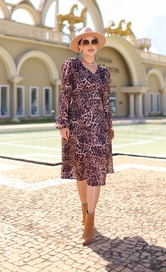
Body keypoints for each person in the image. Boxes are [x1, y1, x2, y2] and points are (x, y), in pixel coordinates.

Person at [56, 26, 114, 246]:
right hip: (77, 125)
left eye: (93, 42)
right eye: (85, 42)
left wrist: (109, 128)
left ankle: (90, 221)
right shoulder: (70, 66)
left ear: (97, 45)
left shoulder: (104, 73)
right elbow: (65, 94)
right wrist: (62, 122)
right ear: (79, 46)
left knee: (95, 173)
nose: (90, 45)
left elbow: (105, 102)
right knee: (80, 171)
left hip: (98, 127)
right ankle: (83, 211)